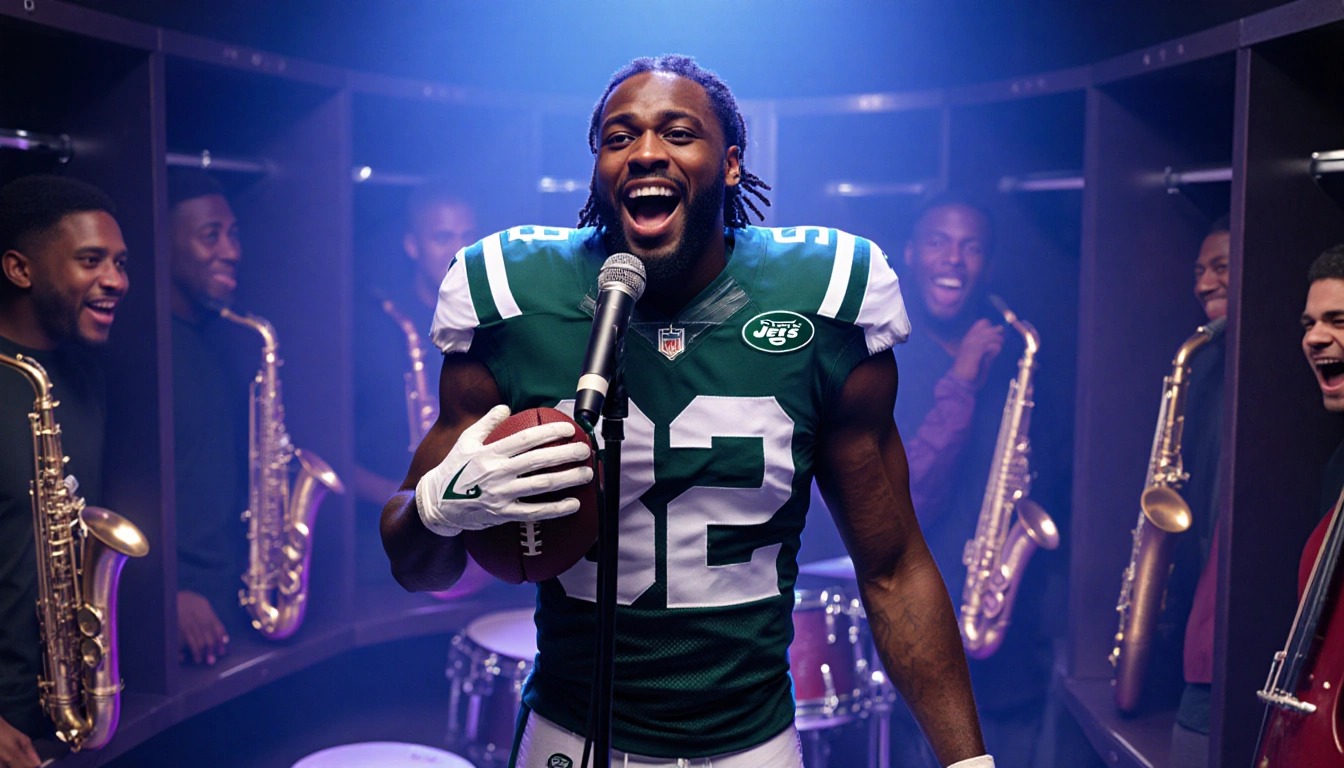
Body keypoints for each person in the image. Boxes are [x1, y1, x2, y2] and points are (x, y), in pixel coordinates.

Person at [382, 55, 993, 768]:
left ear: (730, 163)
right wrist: (437, 507)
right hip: (571, 736)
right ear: (597, 168)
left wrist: (968, 763)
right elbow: (416, 568)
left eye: (678, 133)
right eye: (619, 137)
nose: (645, 152)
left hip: (750, 744)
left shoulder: (821, 298)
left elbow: (892, 566)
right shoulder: (514, 296)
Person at [890, 194, 1052, 768]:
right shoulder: (888, 357)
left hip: (1009, 647)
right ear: (910, 254)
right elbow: (909, 498)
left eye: (972, 247)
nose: (954, 260)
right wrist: (961, 381)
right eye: (939, 242)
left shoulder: (1015, 354)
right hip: (925, 631)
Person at [0, 175, 129, 768]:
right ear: (20, 270)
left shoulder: (86, 375)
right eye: (91, 260)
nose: (117, 281)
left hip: (70, 717)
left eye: (120, 262)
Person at [353, 185, 492, 596]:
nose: (459, 251)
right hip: (385, 548)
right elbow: (335, 455)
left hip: (482, 545)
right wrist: (419, 509)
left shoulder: (496, 322)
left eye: (468, 236)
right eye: (442, 237)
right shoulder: (373, 326)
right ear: (411, 245)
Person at [167, 168, 248, 667]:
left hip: (229, 597)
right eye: (209, 236)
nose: (232, 251)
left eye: (233, 234)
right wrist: (167, 589)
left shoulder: (219, 334)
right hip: (178, 610)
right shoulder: (144, 349)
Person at [1168, 215, 1231, 768]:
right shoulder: (1206, 363)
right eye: (1198, 271)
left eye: (1221, 267)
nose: (1203, 284)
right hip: (1195, 623)